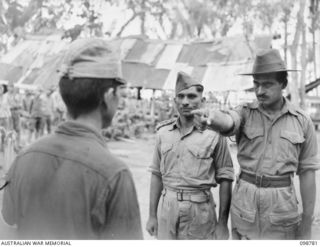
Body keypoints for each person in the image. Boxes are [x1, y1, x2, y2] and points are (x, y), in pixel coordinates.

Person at [1, 38, 143, 240]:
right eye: (120, 92)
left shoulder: (23, 159)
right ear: (109, 95)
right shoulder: (114, 174)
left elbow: (7, 234)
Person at [192, 49, 320, 240]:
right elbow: (229, 121)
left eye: (267, 84)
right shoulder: (244, 112)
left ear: (283, 83)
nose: (259, 91)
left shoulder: (302, 121)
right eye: (256, 84)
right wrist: (213, 118)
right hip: (245, 206)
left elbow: (307, 174)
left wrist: (307, 223)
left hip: (282, 209)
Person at [146, 71, 234, 240]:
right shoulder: (163, 133)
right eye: (181, 96)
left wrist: (222, 223)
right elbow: (156, 174)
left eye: (192, 96)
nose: (185, 102)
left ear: (202, 101)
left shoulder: (215, 134)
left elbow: (226, 178)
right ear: (175, 101)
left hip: (200, 212)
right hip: (168, 210)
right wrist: (152, 215)